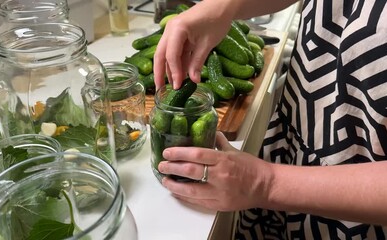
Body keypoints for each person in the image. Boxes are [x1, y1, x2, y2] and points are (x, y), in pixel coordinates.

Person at [153, 0, 387, 238]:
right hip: (294, 149)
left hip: (356, 219)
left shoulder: (264, 183)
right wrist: (223, 7)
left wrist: (266, 183)